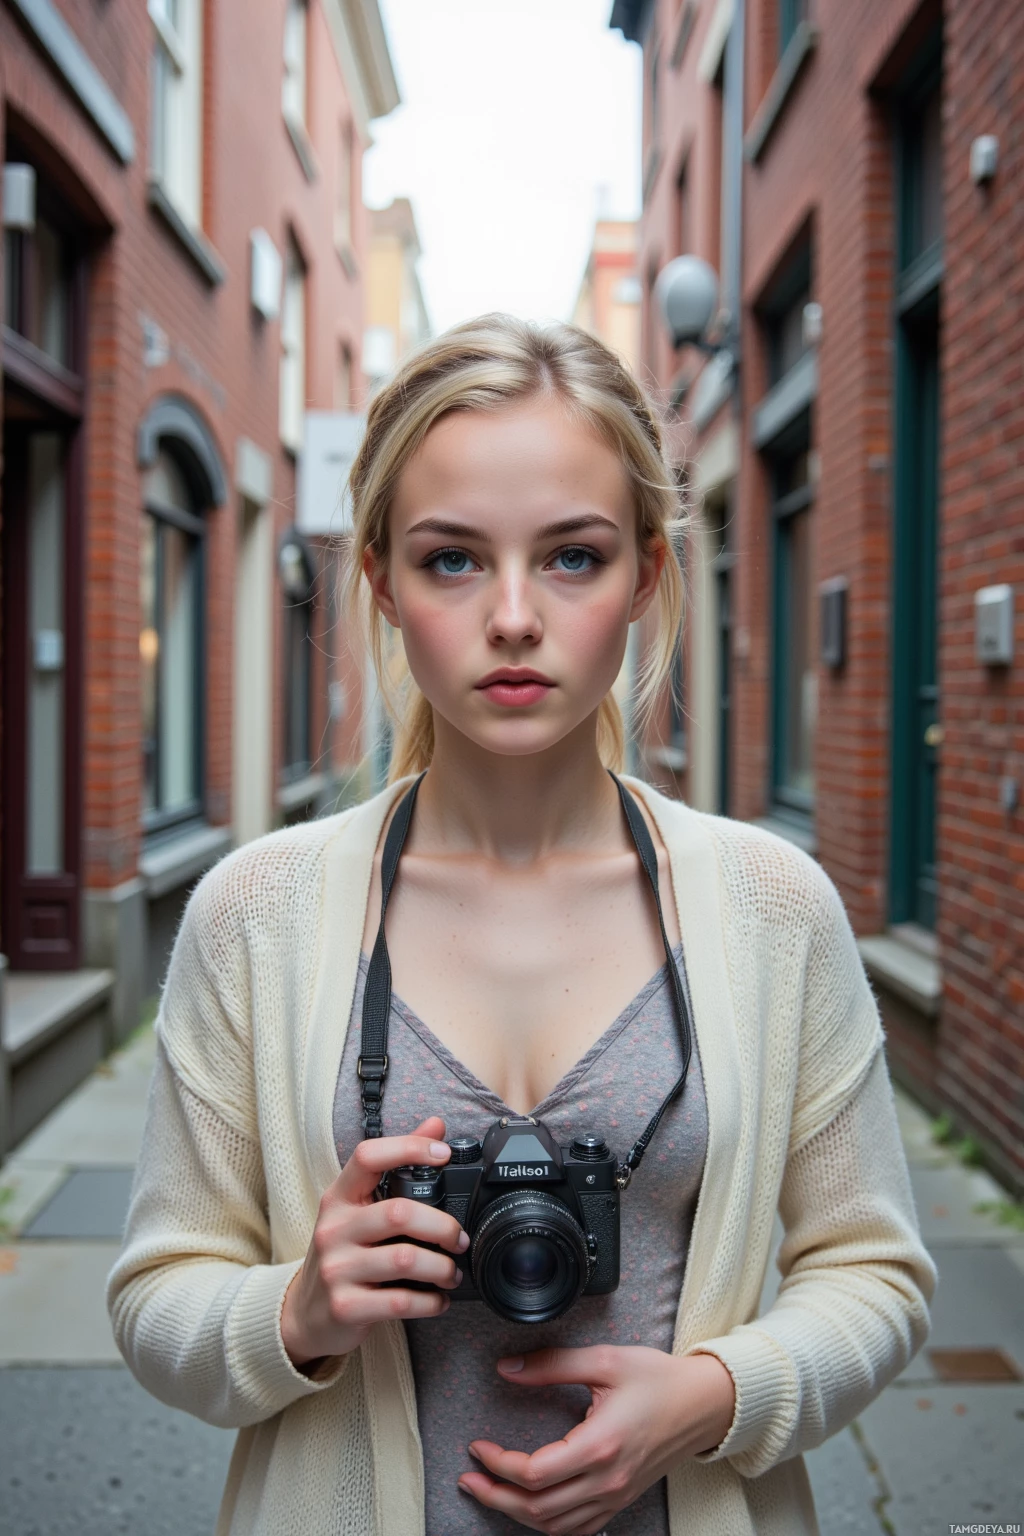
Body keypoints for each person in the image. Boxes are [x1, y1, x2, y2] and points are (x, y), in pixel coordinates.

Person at [108, 315, 935, 1536]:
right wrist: (297, 1312)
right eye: (450, 560)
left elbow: (875, 1274)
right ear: (380, 575)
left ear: (647, 572)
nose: (510, 617)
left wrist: (710, 1399)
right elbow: (156, 1298)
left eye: (571, 557)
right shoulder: (256, 913)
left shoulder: (770, 906)